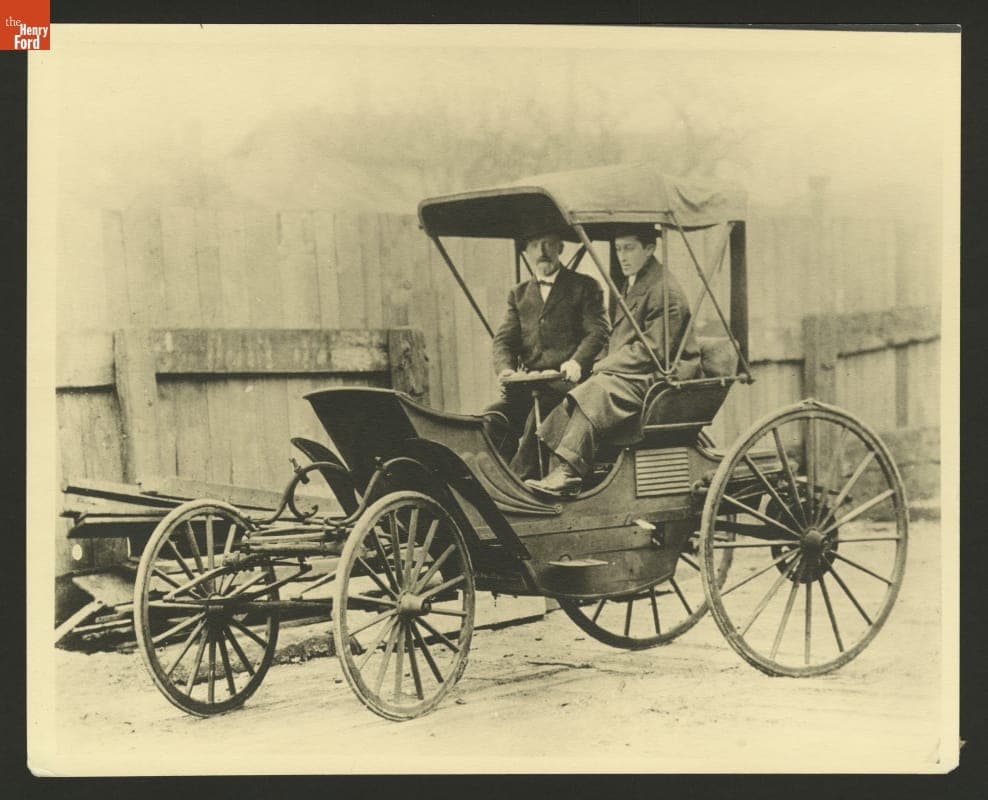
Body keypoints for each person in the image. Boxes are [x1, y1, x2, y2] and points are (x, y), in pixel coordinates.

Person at [525, 223, 702, 496]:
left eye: (629, 248)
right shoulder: (637, 282)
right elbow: (617, 339)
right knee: (568, 390)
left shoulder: (664, 290)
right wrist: (591, 365)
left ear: (650, 249)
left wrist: (601, 366)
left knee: (597, 390)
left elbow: (653, 351)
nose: (622, 256)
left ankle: (569, 471)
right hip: (635, 373)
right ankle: (547, 468)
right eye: (618, 249)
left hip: (662, 377)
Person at [484, 226, 608, 478]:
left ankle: (519, 481)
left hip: (569, 386)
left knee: (537, 417)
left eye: (548, 243)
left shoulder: (584, 286)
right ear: (526, 251)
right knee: (492, 417)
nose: (542, 251)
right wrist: (505, 370)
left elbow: (597, 331)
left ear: (560, 247)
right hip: (530, 386)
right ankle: (497, 478)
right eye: (534, 245)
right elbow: (504, 341)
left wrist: (576, 362)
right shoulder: (518, 295)